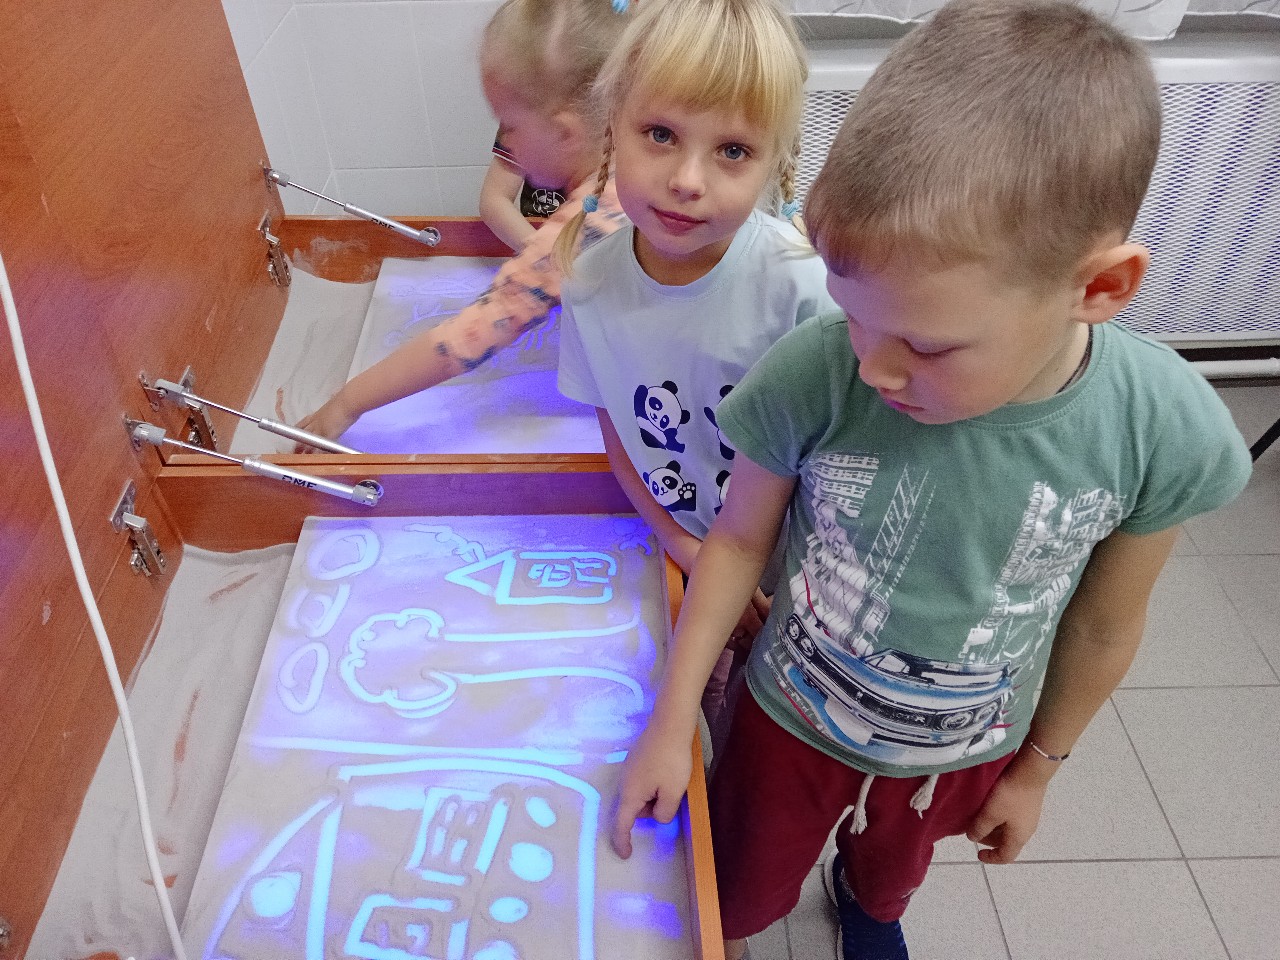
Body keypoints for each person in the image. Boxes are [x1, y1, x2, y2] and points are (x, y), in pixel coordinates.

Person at [608, 2, 1254, 959]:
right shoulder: (815, 369)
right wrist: (673, 720)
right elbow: (739, 541)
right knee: (737, 887)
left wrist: (1038, 769)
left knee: (891, 873)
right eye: (856, 317)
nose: (873, 367)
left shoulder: (1163, 428)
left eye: (927, 344)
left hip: (964, 749)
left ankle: (869, 908)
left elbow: (1105, 622)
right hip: (789, 722)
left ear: (1100, 288)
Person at [554, 0, 835, 749]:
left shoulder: (800, 287)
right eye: (660, 134)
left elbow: (840, 459)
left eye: (733, 151)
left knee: (764, 725)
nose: (686, 179)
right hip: (682, 548)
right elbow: (619, 435)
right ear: (612, 127)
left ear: (775, 160)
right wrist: (680, 543)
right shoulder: (588, 286)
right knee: (685, 723)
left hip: (798, 573)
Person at [294, 0, 632, 448]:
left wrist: (345, 405)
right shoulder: (642, 157)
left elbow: (460, 341)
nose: (505, 141)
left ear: (564, 132)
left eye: (509, 125)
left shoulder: (585, 229)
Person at [480, 138, 566, 253]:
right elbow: (494, 200)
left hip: (585, 236)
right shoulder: (523, 129)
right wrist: (542, 253)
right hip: (538, 234)